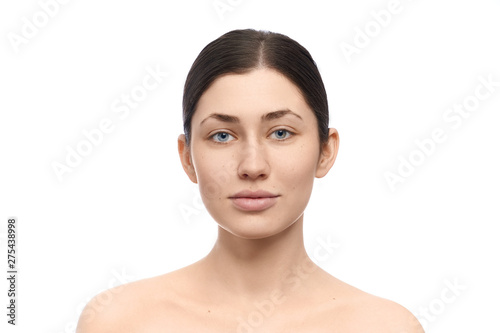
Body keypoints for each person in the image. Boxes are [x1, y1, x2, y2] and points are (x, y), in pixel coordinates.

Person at [76, 29, 424, 332]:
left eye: (281, 132)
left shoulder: (385, 327)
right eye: (223, 136)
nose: (252, 166)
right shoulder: (118, 322)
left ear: (325, 151)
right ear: (187, 157)